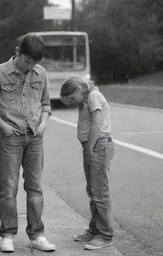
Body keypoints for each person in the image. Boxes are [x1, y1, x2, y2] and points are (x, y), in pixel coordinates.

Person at [0, 34, 55, 253]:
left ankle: (37, 235)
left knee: (35, 188)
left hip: (35, 139)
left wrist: (44, 123)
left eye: (34, 63)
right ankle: (7, 234)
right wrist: (2, 125)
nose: (30, 66)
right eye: (26, 61)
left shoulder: (41, 74)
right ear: (16, 52)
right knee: (8, 188)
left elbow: (46, 104)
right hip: (11, 138)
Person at [60, 76, 115, 250]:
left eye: (71, 98)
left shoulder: (93, 96)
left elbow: (97, 123)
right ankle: (95, 229)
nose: (70, 102)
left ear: (78, 87)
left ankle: (105, 234)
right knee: (93, 191)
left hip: (98, 146)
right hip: (91, 147)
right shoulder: (86, 99)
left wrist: (90, 148)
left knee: (99, 193)